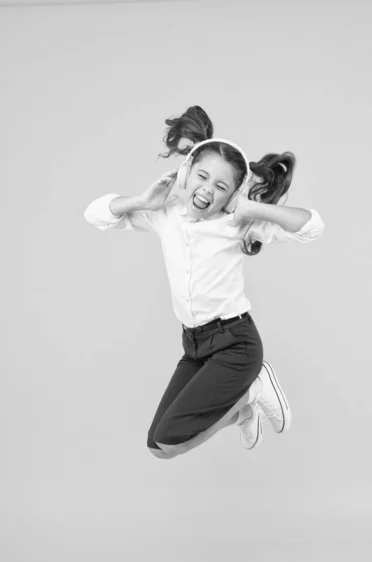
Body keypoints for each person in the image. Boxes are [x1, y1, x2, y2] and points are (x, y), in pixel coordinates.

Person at [84, 105, 324, 459]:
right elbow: (96, 214)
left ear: (231, 195)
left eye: (221, 186)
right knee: (159, 447)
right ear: (185, 174)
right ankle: (243, 410)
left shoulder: (237, 224)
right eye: (202, 176)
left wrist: (255, 210)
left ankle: (254, 386)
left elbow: (311, 227)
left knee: (171, 438)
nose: (208, 190)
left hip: (235, 343)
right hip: (194, 345)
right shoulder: (164, 216)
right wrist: (141, 200)